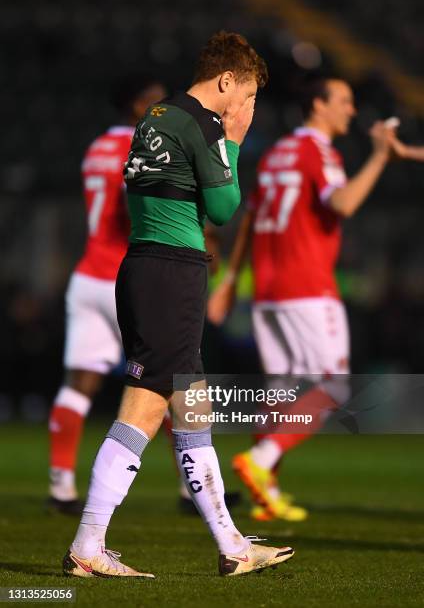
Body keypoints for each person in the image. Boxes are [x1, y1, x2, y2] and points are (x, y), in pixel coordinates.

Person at [63, 31, 295, 579]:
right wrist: (235, 142)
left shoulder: (155, 116)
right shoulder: (203, 124)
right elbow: (223, 208)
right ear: (226, 81)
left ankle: (231, 545)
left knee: (191, 407)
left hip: (147, 267)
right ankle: (90, 543)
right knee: (147, 407)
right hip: (171, 273)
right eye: (250, 94)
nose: (249, 107)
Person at [208, 75, 398, 522]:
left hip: (268, 290)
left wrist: (233, 279)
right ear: (318, 105)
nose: (351, 110)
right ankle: (263, 458)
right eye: (344, 101)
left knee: (279, 390)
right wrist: (379, 157)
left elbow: (251, 218)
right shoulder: (318, 151)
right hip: (308, 286)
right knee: (333, 386)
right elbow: (344, 203)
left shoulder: (276, 154)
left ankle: (264, 492)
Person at [48, 75, 166, 515]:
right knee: (173, 375)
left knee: (78, 385)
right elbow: (136, 204)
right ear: (136, 105)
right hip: (125, 276)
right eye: (154, 102)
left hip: (87, 276)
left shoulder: (97, 146)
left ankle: (60, 486)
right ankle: (192, 489)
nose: (161, 109)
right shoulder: (138, 145)